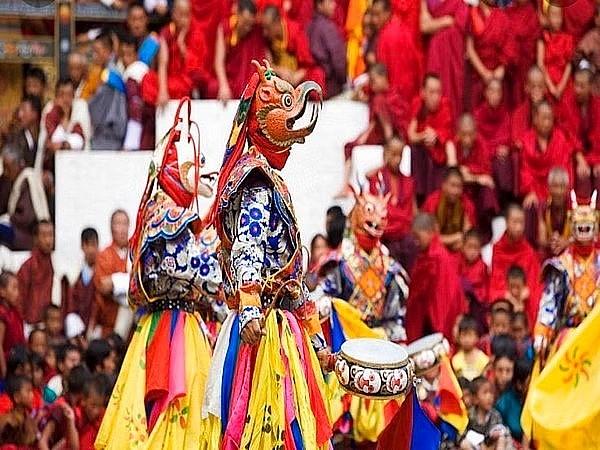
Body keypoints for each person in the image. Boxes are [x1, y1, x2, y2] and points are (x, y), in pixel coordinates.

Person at [202, 60, 332, 449]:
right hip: (263, 329)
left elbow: (291, 278)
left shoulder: (267, 179)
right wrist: (251, 309)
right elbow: (249, 244)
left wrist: (318, 341)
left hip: (279, 323)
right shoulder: (256, 180)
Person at [96, 97, 222, 447]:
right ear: (176, 173)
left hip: (165, 324)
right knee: (179, 414)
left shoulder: (156, 213)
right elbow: (185, 267)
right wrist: (229, 274)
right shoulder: (169, 217)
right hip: (175, 328)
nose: (204, 172)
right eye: (196, 166)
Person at [523, 191, 600, 448]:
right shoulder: (561, 266)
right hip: (568, 337)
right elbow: (550, 303)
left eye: (589, 227)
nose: (584, 233)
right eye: (580, 228)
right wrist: (542, 332)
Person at [337, 63, 409, 198]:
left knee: (350, 147)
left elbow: (385, 125)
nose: (372, 85)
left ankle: (345, 186)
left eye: (374, 81)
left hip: (384, 138)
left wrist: (389, 145)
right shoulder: (383, 95)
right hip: (387, 136)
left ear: (384, 78)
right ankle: (345, 186)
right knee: (350, 146)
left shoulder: (380, 99)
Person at [406, 212, 466, 341]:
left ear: (429, 232)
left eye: (418, 237)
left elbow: (439, 290)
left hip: (437, 314)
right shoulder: (427, 254)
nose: (416, 241)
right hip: (426, 315)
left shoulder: (436, 256)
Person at [141, 0, 210, 107]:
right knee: (147, 80)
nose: (184, 20)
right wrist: (163, 91)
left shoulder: (196, 34)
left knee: (186, 85)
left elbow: (196, 68)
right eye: (181, 15)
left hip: (185, 80)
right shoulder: (166, 33)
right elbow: (163, 64)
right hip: (169, 79)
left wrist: (181, 45)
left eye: (187, 15)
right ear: (173, 14)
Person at [367, 135, 417, 269]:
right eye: (393, 154)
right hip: (384, 234)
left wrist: (403, 219)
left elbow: (411, 213)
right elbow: (376, 212)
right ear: (385, 153)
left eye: (400, 155)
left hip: (403, 234)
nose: (397, 159)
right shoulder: (377, 180)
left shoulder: (408, 182)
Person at [408, 73, 455, 204]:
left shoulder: (445, 106)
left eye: (438, 92)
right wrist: (425, 135)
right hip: (422, 151)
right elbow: (411, 135)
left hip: (439, 154)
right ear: (423, 92)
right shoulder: (417, 103)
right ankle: (418, 199)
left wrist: (436, 134)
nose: (436, 97)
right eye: (431, 92)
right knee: (414, 150)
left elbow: (448, 133)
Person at [420, 0, 469, 123]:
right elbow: (424, 27)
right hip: (435, 54)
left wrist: (435, 24)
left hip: (454, 57)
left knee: (454, 91)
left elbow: (463, 26)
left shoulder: (459, 3)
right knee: (434, 89)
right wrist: (445, 20)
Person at [556, 63, 600, 198]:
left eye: (582, 86)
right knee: (581, 174)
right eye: (576, 85)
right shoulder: (566, 103)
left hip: (594, 152)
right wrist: (580, 157)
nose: (578, 90)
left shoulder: (597, 105)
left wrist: (597, 160)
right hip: (573, 153)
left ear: (591, 87)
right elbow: (568, 134)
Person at [454, 113, 498, 243]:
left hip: (476, 191)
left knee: (488, 192)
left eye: (470, 134)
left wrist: (469, 174)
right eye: (464, 134)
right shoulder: (454, 145)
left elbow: (487, 172)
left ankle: (484, 233)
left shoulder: (481, 144)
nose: (467, 139)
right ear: (458, 133)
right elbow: (455, 173)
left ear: (475, 132)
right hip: (461, 189)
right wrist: (476, 178)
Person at [261, 5, 326, 92]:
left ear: (277, 22)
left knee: (317, 74)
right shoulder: (267, 39)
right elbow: (267, 63)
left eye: (268, 28)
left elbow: (308, 64)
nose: (265, 33)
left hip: (296, 76)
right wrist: (280, 71)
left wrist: (298, 76)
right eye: (263, 28)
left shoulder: (295, 32)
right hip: (278, 76)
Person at [489, 205, 541, 311]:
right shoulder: (498, 249)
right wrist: (508, 296)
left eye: (521, 222)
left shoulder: (528, 251)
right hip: (505, 296)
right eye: (515, 222)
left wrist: (525, 293)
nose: (518, 227)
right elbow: (496, 281)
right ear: (506, 223)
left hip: (524, 298)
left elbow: (534, 282)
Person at [214, 0, 267, 102]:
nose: (247, 28)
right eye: (245, 23)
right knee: (214, 87)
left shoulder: (256, 31)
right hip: (231, 80)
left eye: (250, 25)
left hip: (249, 81)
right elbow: (219, 61)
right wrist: (223, 85)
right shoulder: (225, 27)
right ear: (237, 13)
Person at [473, 78, 513, 208]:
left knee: (503, 163)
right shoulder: (478, 115)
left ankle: (505, 204)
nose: (495, 95)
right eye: (492, 91)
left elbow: (507, 139)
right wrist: (494, 151)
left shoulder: (506, 115)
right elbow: (478, 142)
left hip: (498, 159)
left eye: (498, 92)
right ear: (485, 93)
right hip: (482, 158)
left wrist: (505, 149)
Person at [371, 0, 421, 103]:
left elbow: (383, 75)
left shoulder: (387, 36)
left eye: (378, 15)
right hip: (409, 93)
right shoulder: (402, 29)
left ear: (388, 13)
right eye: (373, 15)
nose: (374, 20)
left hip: (394, 97)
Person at [92, 210, 131, 339]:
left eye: (125, 224)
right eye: (118, 224)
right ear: (111, 228)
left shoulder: (135, 252)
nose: (122, 229)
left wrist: (116, 282)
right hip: (110, 324)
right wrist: (129, 281)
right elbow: (104, 285)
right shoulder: (104, 255)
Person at [465, 2, 512, 109]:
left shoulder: (502, 16)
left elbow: (509, 46)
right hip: (478, 75)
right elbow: (469, 48)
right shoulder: (473, 13)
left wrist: (501, 69)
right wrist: (484, 73)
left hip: (498, 76)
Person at [17, 220, 62, 330]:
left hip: (53, 326)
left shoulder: (57, 264)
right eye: (44, 235)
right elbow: (20, 300)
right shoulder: (27, 267)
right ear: (36, 239)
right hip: (32, 326)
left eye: (51, 235)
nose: (48, 240)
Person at [421, 167, 476, 254]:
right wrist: (456, 237)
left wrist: (460, 239)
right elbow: (431, 238)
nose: (455, 191)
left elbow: (468, 236)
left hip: (457, 248)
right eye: (452, 185)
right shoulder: (432, 202)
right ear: (444, 185)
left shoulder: (466, 204)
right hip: (437, 249)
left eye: (459, 187)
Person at [504, 0, 542, 108]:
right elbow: (505, 38)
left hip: (527, 66)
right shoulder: (508, 12)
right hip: (511, 69)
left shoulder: (533, 14)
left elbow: (536, 39)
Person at [306, 0, 347, 99]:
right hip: (328, 85)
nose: (334, 5)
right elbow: (338, 60)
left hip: (310, 83)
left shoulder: (309, 26)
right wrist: (343, 80)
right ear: (320, 5)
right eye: (330, 2)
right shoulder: (328, 28)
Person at [62, 228, 99, 331]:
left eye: (93, 245)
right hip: (77, 325)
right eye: (87, 245)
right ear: (82, 247)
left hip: (95, 325)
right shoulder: (74, 274)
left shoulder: (101, 271)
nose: (91, 250)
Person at [459, 377, 510, 450]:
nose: (489, 397)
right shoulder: (469, 414)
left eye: (491, 393)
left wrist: (495, 433)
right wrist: (478, 441)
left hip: (490, 445)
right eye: (485, 393)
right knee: (464, 444)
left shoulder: (495, 414)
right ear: (475, 398)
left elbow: (499, 428)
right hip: (475, 446)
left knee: (502, 438)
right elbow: (462, 435)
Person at [537, 5, 574, 104]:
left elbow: (569, 64)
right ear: (547, 17)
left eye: (559, 15)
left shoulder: (568, 38)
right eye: (553, 15)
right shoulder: (543, 37)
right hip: (547, 80)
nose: (557, 19)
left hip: (564, 82)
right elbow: (540, 64)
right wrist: (551, 87)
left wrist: (561, 86)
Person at [536, 166, 571, 259]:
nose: (559, 191)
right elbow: (541, 239)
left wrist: (565, 243)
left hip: (569, 251)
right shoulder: (544, 207)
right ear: (549, 188)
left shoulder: (573, 207)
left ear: (567, 188)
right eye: (555, 186)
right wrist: (551, 241)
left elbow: (582, 237)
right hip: (550, 250)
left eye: (562, 186)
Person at [460, 230, 489, 328]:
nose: (472, 252)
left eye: (475, 248)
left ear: (480, 249)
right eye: (469, 247)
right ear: (463, 247)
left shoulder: (482, 267)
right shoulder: (457, 264)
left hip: (476, 307)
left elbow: (483, 292)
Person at [0, 375, 37, 448]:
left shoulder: (28, 418)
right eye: (28, 391)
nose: (32, 395)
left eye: (32, 391)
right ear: (17, 397)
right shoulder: (8, 421)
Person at [0, 271, 25, 379]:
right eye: (14, 288)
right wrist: (3, 370)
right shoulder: (2, 313)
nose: (17, 293)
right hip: (7, 367)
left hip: (18, 363)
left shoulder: (14, 312)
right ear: (2, 291)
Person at [452, 315, 490, 381]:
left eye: (470, 335)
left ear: (477, 337)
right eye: (464, 335)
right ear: (459, 337)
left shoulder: (483, 359)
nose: (466, 340)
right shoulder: (455, 360)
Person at [576, 7, 600, 95]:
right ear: (597, 19)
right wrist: (589, 68)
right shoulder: (590, 38)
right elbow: (577, 60)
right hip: (595, 85)